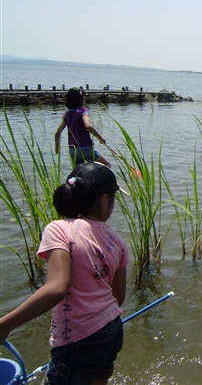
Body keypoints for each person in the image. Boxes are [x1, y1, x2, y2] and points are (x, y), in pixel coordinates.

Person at [0, 162, 129, 384]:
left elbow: (57, 288)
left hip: (78, 339)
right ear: (104, 200)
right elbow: (118, 296)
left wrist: (4, 325)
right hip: (112, 330)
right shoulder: (117, 241)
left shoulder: (58, 229)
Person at [54, 88, 111, 168]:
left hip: (72, 150)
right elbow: (88, 126)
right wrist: (100, 138)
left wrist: (57, 147)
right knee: (107, 165)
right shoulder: (83, 111)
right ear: (82, 99)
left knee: (78, 172)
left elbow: (57, 133)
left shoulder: (67, 114)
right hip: (85, 148)